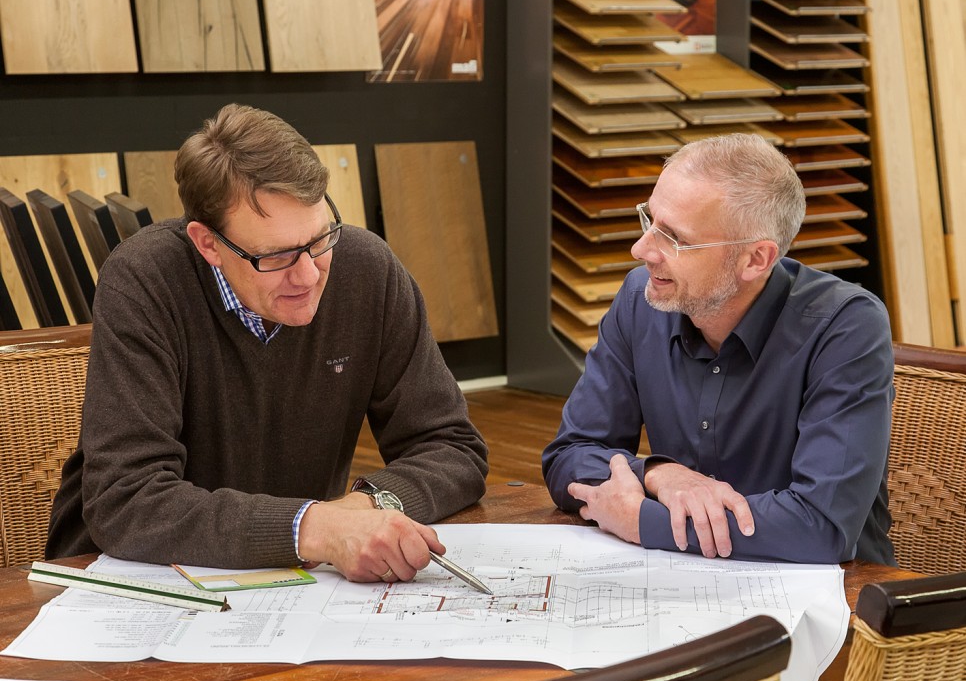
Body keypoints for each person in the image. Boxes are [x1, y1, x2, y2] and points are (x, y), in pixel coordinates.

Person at [47, 104, 488, 583]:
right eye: (275, 256)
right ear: (208, 244)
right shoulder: (145, 281)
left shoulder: (368, 271)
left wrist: (364, 508)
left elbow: (452, 448)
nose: (307, 275)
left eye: (320, 239)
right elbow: (127, 500)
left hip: (292, 584)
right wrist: (315, 526)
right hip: (131, 583)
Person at [542, 133, 895, 565]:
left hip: (836, 598)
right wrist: (658, 474)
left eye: (673, 238)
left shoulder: (846, 325)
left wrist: (640, 521)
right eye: (649, 221)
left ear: (755, 260)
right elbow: (569, 456)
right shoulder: (641, 298)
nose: (641, 250)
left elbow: (820, 527)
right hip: (681, 579)